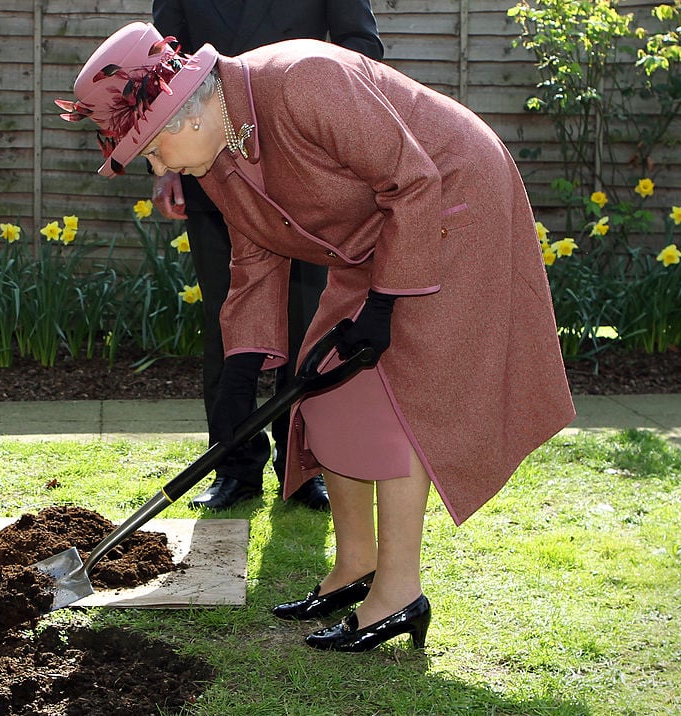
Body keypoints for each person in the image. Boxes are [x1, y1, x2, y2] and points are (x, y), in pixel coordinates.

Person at [56, 23, 576, 652]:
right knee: (324, 386)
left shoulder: (303, 80)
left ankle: (399, 591)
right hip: (376, 231)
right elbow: (255, 252)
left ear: (184, 110)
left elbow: (413, 179)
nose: (159, 167)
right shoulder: (216, 156)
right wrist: (242, 364)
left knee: (395, 396)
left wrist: (385, 305)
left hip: (452, 199)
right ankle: (354, 566)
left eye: (154, 149)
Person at [150, 0, 384, 512]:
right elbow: (162, 68)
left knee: (310, 325)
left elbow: (361, 49)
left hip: (305, 170)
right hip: (209, 168)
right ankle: (232, 465)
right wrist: (168, 164)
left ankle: (303, 466)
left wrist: (326, 133)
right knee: (226, 318)